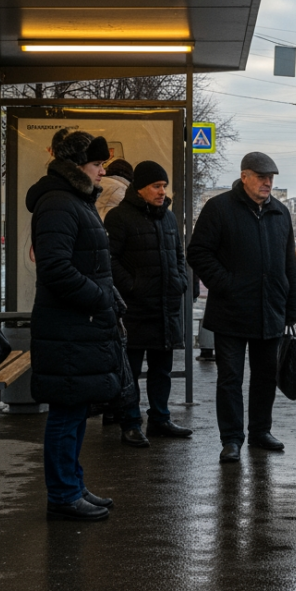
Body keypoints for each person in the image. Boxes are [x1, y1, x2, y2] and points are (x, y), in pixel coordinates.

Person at [26, 129, 124, 522]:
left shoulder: (73, 201)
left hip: (79, 325)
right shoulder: (58, 203)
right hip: (67, 326)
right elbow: (56, 269)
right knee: (66, 414)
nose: (103, 171)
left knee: (76, 411)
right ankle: (64, 493)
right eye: (98, 164)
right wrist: (100, 297)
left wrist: (108, 295)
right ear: (77, 165)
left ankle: (73, 484)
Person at [187, 152, 296, 463]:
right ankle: (232, 438)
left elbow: (288, 264)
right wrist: (226, 283)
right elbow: (198, 252)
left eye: (271, 179)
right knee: (230, 377)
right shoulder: (219, 208)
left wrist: (292, 307)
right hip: (230, 311)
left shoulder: (280, 212)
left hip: (270, 310)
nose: (268, 183)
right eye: (262, 177)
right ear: (245, 176)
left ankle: (261, 431)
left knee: (265, 376)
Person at [104, 160, 193, 446]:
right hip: (135, 309)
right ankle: (130, 423)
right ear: (139, 188)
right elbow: (110, 259)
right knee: (130, 370)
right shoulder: (119, 217)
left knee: (161, 370)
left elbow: (179, 255)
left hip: (166, 308)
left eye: (164, 186)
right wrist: (132, 286)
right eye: (156, 186)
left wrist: (180, 280)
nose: (161, 191)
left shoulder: (168, 218)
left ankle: (160, 419)